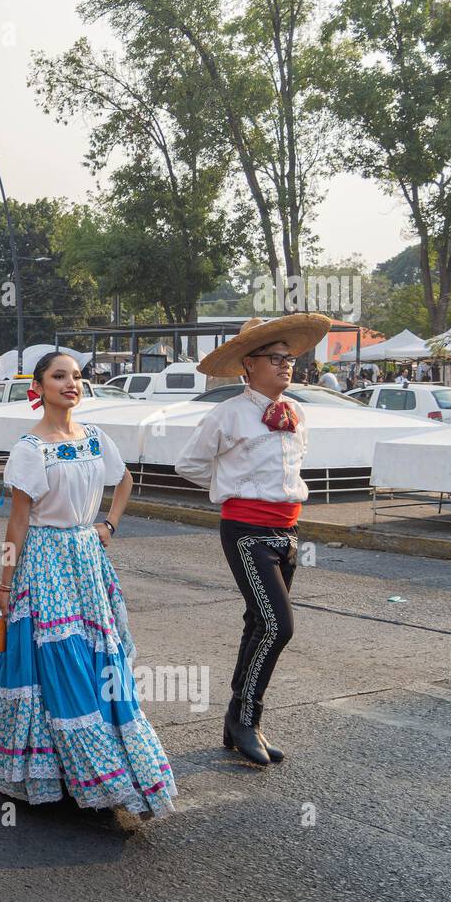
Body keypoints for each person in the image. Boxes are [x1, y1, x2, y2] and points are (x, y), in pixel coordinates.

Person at [0, 352, 175, 817]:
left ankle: (97, 766)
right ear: (37, 388)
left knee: (101, 655)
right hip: (43, 558)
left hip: (87, 556)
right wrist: (4, 584)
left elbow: (124, 481)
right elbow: (16, 523)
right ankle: (72, 770)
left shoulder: (96, 438)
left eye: (77, 376)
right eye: (59, 376)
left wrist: (110, 526)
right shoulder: (28, 448)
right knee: (60, 658)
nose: (71, 383)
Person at [175, 313, 332, 767]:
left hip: (288, 529)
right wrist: (230, 485)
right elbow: (190, 463)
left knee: (258, 624)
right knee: (278, 626)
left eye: (290, 358)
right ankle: (247, 717)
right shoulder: (227, 413)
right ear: (249, 364)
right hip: (245, 530)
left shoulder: (297, 411)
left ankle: (236, 722)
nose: (287, 366)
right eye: (276, 358)